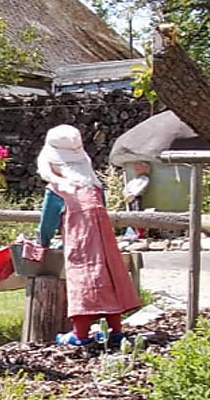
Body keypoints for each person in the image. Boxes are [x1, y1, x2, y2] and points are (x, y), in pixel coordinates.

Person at [35, 125, 141, 346]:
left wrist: (42, 243)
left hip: (81, 242)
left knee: (82, 279)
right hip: (105, 242)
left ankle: (80, 334)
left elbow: (48, 223)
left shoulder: (58, 189)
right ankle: (116, 331)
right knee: (108, 277)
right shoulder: (94, 186)